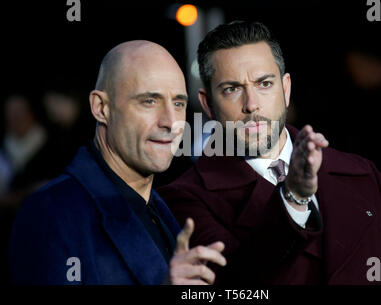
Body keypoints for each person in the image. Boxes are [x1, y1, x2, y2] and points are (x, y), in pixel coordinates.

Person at [157, 21, 381, 285]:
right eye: (232, 89)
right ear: (208, 105)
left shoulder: (362, 175)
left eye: (264, 84)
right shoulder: (185, 198)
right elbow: (239, 284)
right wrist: (294, 197)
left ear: (286, 89)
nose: (251, 105)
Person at [8, 40, 226, 285]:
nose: (170, 122)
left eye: (178, 103)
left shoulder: (167, 210)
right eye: (149, 101)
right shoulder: (51, 213)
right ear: (101, 108)